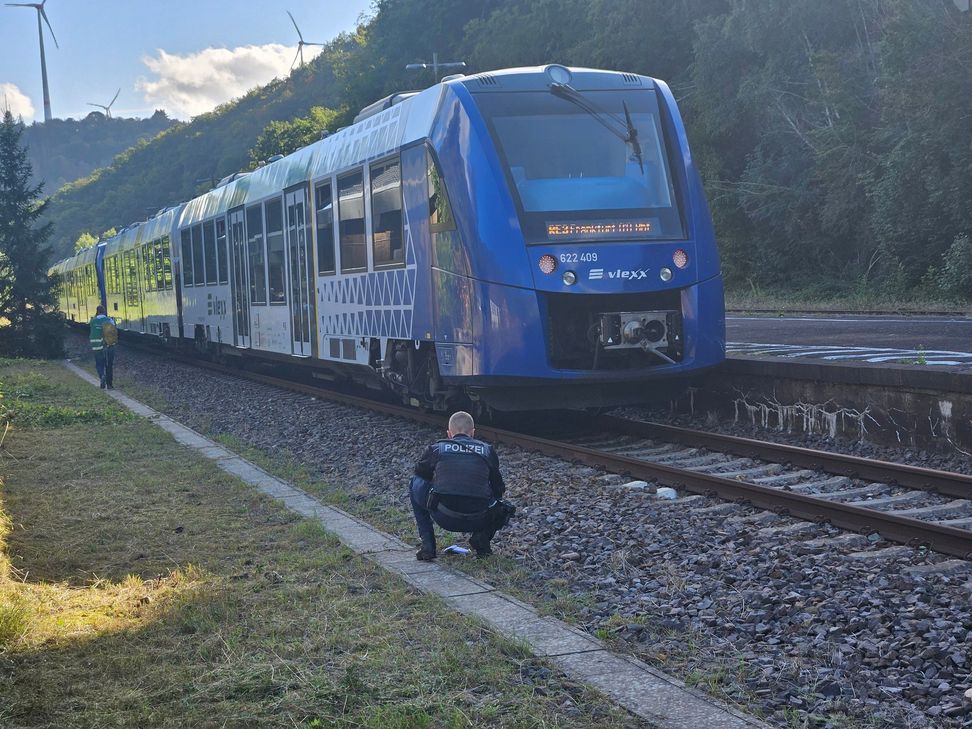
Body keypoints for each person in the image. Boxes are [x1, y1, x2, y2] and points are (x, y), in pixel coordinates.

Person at [410, 411, 510, 561]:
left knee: (414, 482)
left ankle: (428, 546)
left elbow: (421, 474)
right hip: (478, 518)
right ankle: (481, 540)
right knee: (505, 507)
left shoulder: (437, 448)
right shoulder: (487, 451)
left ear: (449, 434)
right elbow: (498, 489)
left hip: (444, 516)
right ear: (473, 433)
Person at [89, 304, 117, 389]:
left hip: (98, 347)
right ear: (104, 311)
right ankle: (110, 385)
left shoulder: (93, 321)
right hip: (109, 346)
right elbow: (114, 331)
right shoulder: (110, 320)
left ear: (97, 311)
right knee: (109, 366)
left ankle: (102, 376)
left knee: (99, 364)